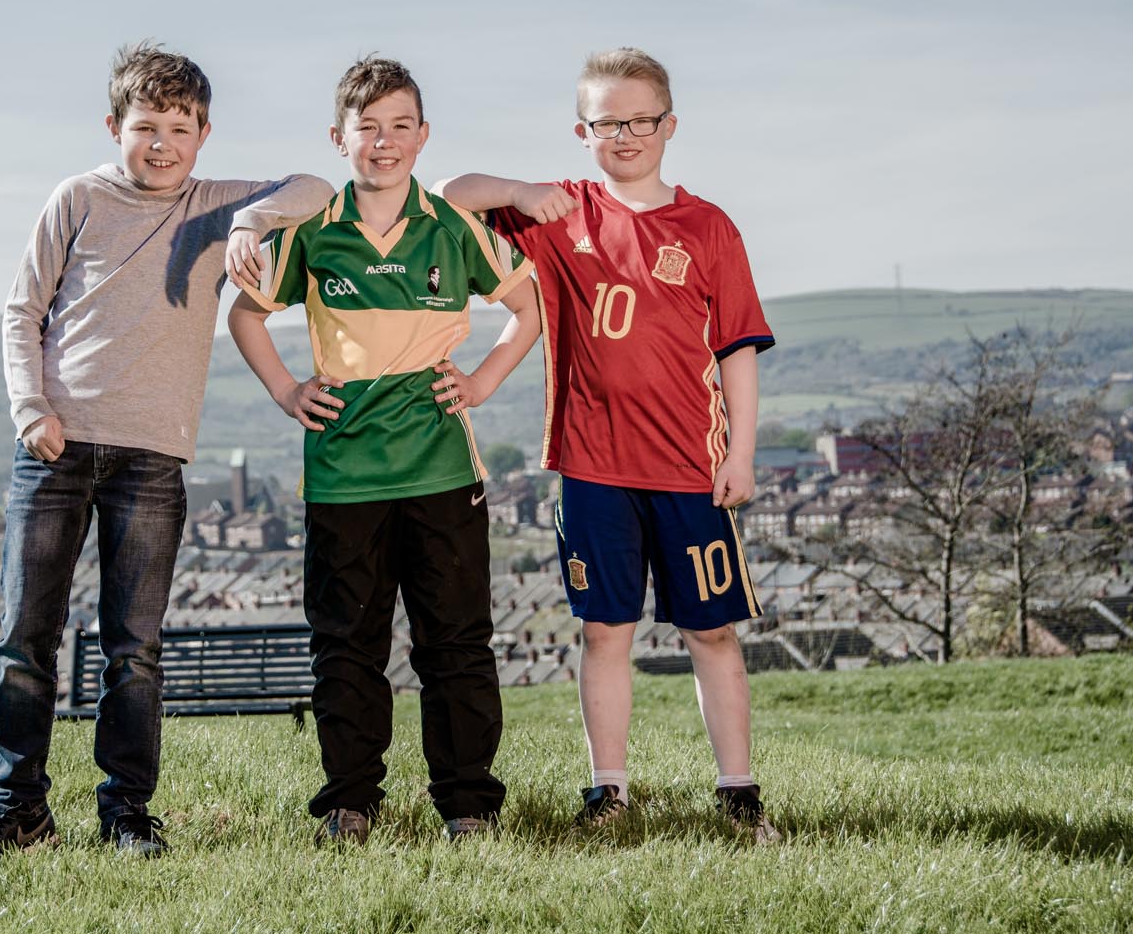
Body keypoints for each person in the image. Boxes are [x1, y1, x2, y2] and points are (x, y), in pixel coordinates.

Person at [0, 42, 334, 861]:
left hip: (151, 461)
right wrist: (31, 410)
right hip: (54, 447)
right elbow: (20, 311)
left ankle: (126, 812)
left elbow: (318, 186)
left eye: (179, 127)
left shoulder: (212, 201)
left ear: (204, 133)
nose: (160, 144)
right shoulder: (78, 198)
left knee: (135, 648)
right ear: (113, 126)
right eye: (145, 127)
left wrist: (248, 221)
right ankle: (17, 811)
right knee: (26, 638)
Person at [437, 47, 780, 842]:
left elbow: (735, 351)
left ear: (669, 125)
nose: (624, 135)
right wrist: (524, 190)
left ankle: (738, 789)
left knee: (713, 631)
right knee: (603, 631)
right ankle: (608, 789)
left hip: (691, 467)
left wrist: (741, 454)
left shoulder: (709, 227)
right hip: (592, 466)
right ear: (582, 130)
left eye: (640, 120)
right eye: (606, 122)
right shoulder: (562, 215)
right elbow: (451, 196)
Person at [227, 56, 540, 844]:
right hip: (342, 477)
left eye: (401, 126)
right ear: (341, 138)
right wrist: (287, 391)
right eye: (368, 128)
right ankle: (350, 800)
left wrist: (481, 381)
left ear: (423, 136)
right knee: (346, 647)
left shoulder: (452, 225)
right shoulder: (312, 233)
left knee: (456, 643)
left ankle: (467, 804)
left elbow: (528, 307)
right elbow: (244, 316)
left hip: (442, 469)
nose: (385, 142)